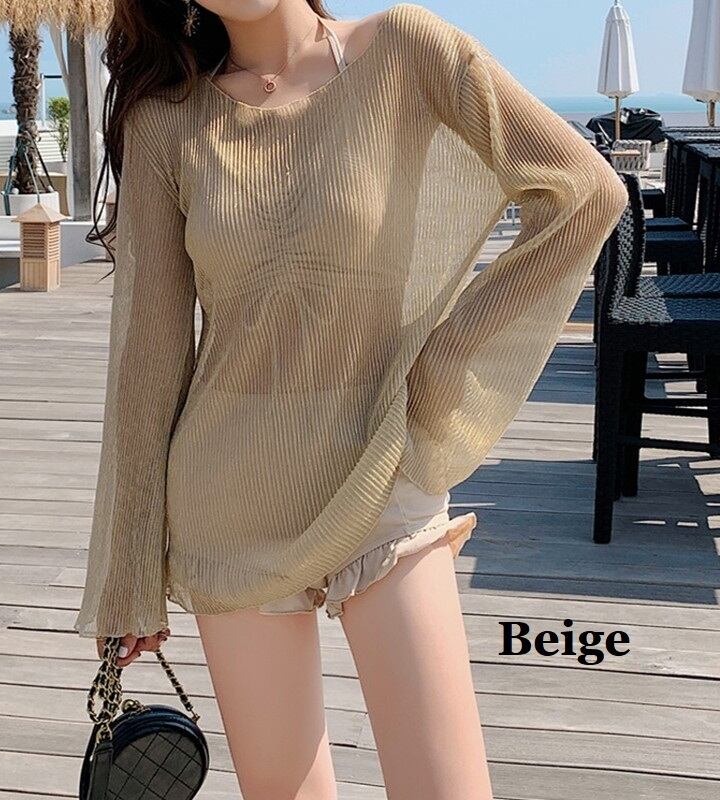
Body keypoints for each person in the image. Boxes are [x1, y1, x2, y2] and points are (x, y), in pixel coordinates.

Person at [75, 2, 629, 798]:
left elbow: (583, 192)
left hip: (382, 467)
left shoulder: (406, 48)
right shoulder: (167, 119)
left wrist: (440, 364)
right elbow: (148, 355)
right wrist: (126, 568)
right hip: (230, 496)